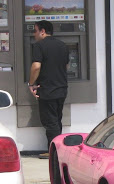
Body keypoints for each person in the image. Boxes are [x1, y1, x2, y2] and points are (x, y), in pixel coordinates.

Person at [28, 20, 69, 159]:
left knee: (50, 122)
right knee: (57, 120)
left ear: (43, 31)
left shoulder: (39, 46)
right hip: (62, 88)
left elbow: (36, 67)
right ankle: (55, 149)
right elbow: (66, 66)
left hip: (47, 89)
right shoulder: (62, 45)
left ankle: (55, 153)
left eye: (35, 30)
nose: (34, 34)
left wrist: (31, 83)